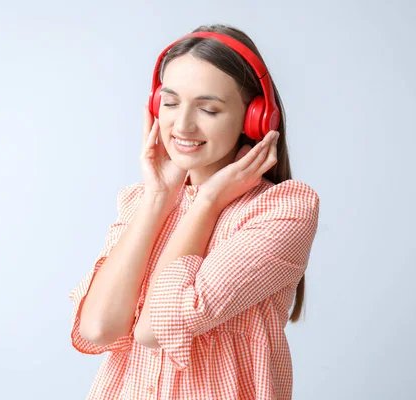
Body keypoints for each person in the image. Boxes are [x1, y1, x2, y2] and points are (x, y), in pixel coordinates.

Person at [68, 23, 320, 400]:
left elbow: (155, 327)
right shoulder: (141, 201)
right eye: (170, 103)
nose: (182, 124)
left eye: (208, 109)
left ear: (255, 118)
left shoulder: (282, 210)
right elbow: (99, 328)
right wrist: (158, 198)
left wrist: (206, 203)